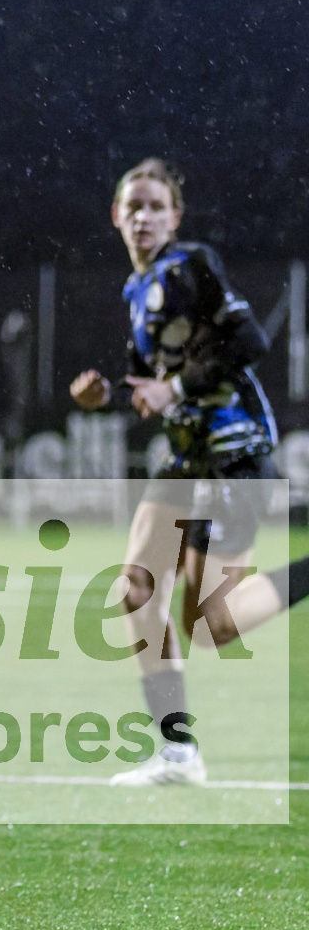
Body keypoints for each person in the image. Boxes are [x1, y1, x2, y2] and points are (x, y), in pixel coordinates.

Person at [69, 158, 309, 786]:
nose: (143, 217)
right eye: (134, 207)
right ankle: (179, 753)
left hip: (234, 452)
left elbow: (250, 341)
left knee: (211, 627)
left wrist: (172, 389)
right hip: (186, 459)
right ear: (116, 216)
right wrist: (107, 396)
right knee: (136, 591)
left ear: (175, 218)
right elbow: (149, 386)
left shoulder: (190, 265)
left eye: (156, 207)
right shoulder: (137, 290)